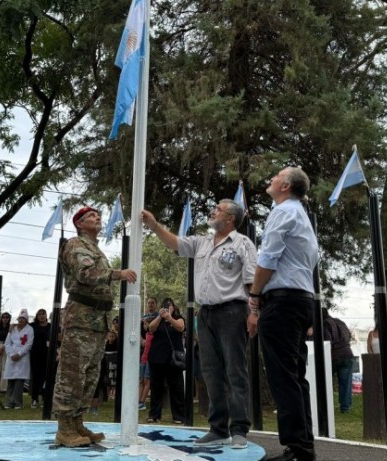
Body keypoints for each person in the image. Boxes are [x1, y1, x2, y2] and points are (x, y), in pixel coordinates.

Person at [141, 197, 257, 449]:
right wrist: (154, 225)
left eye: (218, 210)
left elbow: (251, 280)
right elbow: (175, 242)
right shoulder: (201, 242)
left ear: (230, 219)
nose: (213, 212)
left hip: (233, 312)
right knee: (211, 372)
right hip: (205, 315)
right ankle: (218, 429)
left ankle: (239, 430)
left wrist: (254, 311)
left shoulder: (242, 243)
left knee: (235, 371)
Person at [247, 167, 319, 461]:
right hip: (300, 300)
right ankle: (302, 446)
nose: (271, 179)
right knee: (294, 376)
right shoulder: (300, 215)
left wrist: (254, 295)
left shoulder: (282, 212)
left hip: (283, 301)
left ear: (286, 185)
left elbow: (268, 258)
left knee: (284, 377)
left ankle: (298, 449)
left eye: (276, 176)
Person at [53, 206, 136, 448]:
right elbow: (85, 274)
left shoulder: (94, 248)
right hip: (81, 317)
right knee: (72, 373)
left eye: (98, 216)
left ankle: (77, 421)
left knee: (89, 374)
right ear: (79, 223)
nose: (97, 218)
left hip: (97, 319)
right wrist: (117, 274)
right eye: (91, 216)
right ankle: (64, 428)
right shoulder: (75, 244)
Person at [146, 298, 186, 425]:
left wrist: (169, 317)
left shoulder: (178, 318)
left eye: (169, 306)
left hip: (173, 360)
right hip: (157, 358)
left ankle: (178, 416)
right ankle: (154, 415)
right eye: (164, 306)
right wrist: (160, 316)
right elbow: (151, 328)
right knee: (156, 387)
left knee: (176, 387)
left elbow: (180, 327)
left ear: (173, 307)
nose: (167, 308)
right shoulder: (158, 319)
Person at [323, 310, 356, 414]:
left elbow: (327, 342)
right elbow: (349, 335)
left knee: (324, 381)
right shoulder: (340, 322)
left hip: (334, 356)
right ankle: (345, 408)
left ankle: (325, 405)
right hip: (348, 354)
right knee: (345, 383)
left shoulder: (324, 324)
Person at [4, 309, 34, 409]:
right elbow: (7, 343)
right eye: (20, 319)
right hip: (11, 356)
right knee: (11, 380)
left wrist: (19, 354)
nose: (21, 321)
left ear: (26, 320)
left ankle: (17, 402)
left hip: (22, 357)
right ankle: (9, 401)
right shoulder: (12, 329)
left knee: (19, 381)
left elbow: (29, 344)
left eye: (23, 319)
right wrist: (11, 354)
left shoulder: (29, 329)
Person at [29, 308, 50, 408]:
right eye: (39, 315)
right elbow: (21, 326)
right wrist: (13, 326)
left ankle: (44, 399)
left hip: (47, 355)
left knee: (46, 377)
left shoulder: (51, 326)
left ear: (46, 316)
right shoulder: (32, 326)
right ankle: (34, 398)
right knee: (35, 377)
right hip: (35, 354)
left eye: (43, 314)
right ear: (37, 317)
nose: (41, 316)